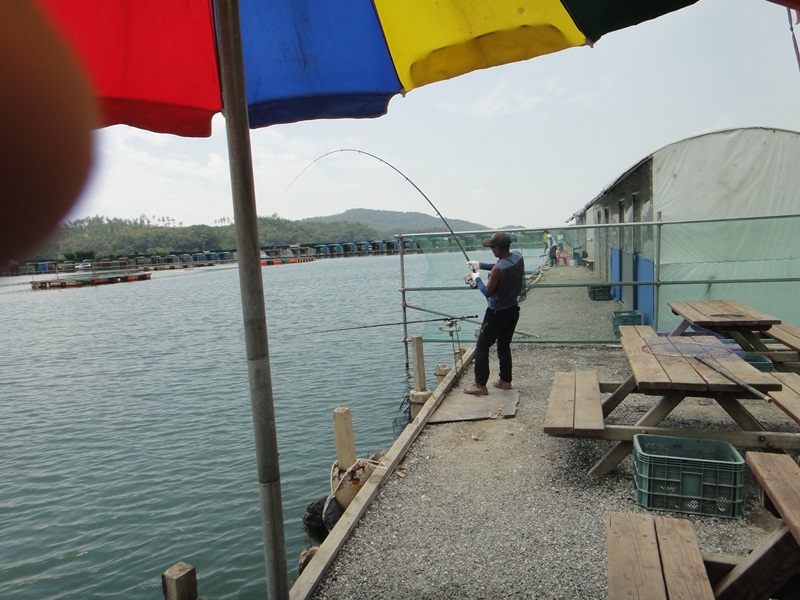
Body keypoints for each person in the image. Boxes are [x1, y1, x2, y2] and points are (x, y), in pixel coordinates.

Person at [463, 232, 525, 396]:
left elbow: (487, 292)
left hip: (496, 314)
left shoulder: (498, 269)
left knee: (482, 347)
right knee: (503, 346)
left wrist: (477, 278)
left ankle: (480, 385)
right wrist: (480, 264)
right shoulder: (517, 257)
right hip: (512, 309)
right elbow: (502, 266)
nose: (491, 250)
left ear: (497, 249)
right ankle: (505, 381)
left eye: (492, 248)